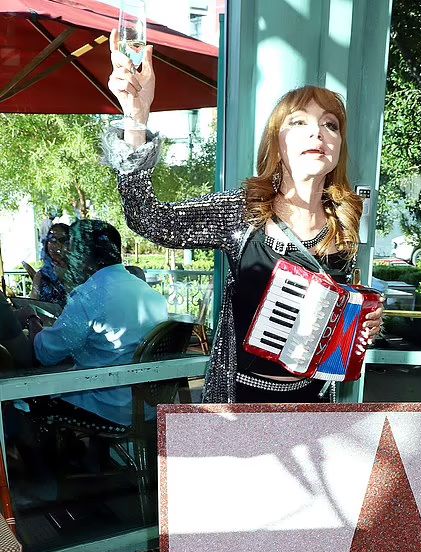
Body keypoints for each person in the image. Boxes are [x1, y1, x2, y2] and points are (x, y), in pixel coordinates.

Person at [104, 31, 384, 404]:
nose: (318, 132)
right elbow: (147, 219)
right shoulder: (242, 211)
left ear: (338, 145)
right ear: (276, 144)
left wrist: (365, 322)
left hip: (316, 405)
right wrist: (135, 118)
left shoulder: (343, 219)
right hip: (241, 402)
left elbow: (337, 317)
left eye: (330, 124)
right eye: (299, 122)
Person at [23, 219, 169, 428]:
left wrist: (32, 320)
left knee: (29, 401)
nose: (66, 256)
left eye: (71, 250)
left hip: (107, 407)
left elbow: (46, 354)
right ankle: (94, 449)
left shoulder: (90, 296)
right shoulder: (149, 293)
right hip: (149, 406)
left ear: (85, 256)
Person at [23, 222, 70, 310]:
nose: (57, 245)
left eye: (63, 240)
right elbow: (32, 305)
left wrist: (67, 278)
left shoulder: (77, 273)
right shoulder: (41, 275)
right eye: (52, 240)